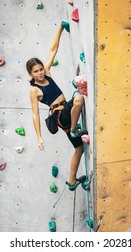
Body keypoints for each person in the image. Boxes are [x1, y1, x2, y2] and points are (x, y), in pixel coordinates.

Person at [26, 22, 87, 191]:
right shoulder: (34, 90)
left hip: (66, 115)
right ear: (30, 74)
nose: (40, 73)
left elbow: (53, 50)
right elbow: (35, 114)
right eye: (36, 72)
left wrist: (60, 28)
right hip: (61, 116)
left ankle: (72, 182)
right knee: (78, 99)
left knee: (79, 149)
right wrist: (39, 137)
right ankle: (75, 128)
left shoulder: (47, 73)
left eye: (40, 69)